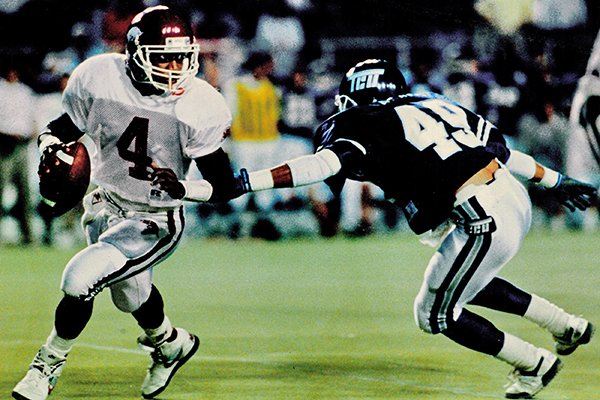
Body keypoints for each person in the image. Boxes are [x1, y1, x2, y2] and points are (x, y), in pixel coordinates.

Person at [230, 59, 596, 398]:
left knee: (434, 313)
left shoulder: (365, 121)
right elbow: (501, 151)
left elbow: (318, 167)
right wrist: (554, 180)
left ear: (355, 97)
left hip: (480, 213)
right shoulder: (434, 104)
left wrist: (247, 181)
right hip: (511, 196)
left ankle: (533, 363)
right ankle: (565, 326)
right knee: (468, 282)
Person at [12, 6, 242, 400]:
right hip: (104, 203)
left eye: (181, 57)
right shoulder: (98, 76)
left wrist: (183, 191)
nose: (174, 67)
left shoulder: (200, 103)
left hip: (155, 217)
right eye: (162, 57)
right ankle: (170, 344)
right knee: (130, 296)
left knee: (80, 279)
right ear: (135, 53)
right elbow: (61, 129)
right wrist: (51, 148)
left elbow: (222, 186)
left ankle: (45, 366)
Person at [0, 65, 37, 245]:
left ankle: (28, 235)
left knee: (25, 193)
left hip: (23, 145)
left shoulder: (25, 92)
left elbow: (31, 118)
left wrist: (33, 131)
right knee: (1, 190)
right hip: (4, 145)